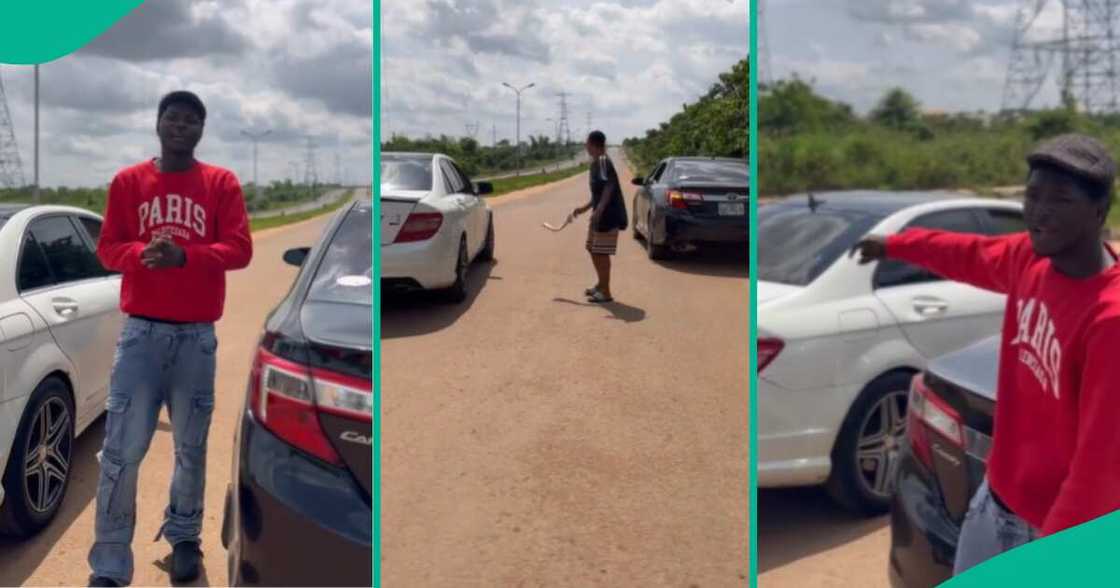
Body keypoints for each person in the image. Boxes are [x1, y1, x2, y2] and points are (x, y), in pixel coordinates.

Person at [850, 133, 1120, 575]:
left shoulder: (1109, 319)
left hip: (1048, 529)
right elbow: (966, 253)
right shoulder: (1029, 261)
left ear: (1098, 210)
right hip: (993, 504)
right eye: (1032, 197)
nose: (1039, 212)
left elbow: (1100, 470)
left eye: (1060, 200)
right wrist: (895, 245)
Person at [87, 91, 253, 587]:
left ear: (201, 129)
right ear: (158, 124)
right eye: (173, 118)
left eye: (191, 120)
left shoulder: (220, 183)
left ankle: (184, 537)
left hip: (197, 338)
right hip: (140, 335)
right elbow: (108, 249)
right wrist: (143, 253)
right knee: (121, 451)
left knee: (191, 447)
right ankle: (111, 565)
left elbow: (240, 248)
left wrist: (187, 257)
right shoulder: (128, 182)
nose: (180, 126)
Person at [572, 130, 627, 303]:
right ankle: (601, 285)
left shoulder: (603, 161)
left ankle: (606, 292)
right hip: (599, 215)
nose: (585, 146)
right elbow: (598, 193)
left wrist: (600, 210)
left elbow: (610, 187)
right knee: (592, 249)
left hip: (607, 217)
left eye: (586, 143)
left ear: (594, 144)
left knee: (601, 253)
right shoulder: (596, 163)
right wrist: (584, 208)